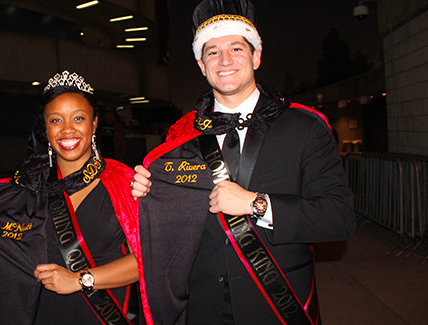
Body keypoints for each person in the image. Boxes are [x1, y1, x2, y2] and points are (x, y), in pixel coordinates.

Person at [131, 1, 356, 324]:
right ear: (200, 63)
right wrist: (146, 192)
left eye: (236, 48)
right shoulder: (181, 135)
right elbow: (171, 216)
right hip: (202, 305)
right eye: (212, 52)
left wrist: (257, 204)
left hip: (278, 301)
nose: (224, 61)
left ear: (256, 56)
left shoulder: (306, 127)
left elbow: (338, 219)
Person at [0, 71, 152, 325]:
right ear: (45, 129)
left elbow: (149, 258)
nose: (67, 129)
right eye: (56, 120)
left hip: (104, 313)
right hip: (45, 311)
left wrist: (80, 280)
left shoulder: (125, 183)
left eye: (78, 118)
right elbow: (6, 239)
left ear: (94, 124)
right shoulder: (28, 187)